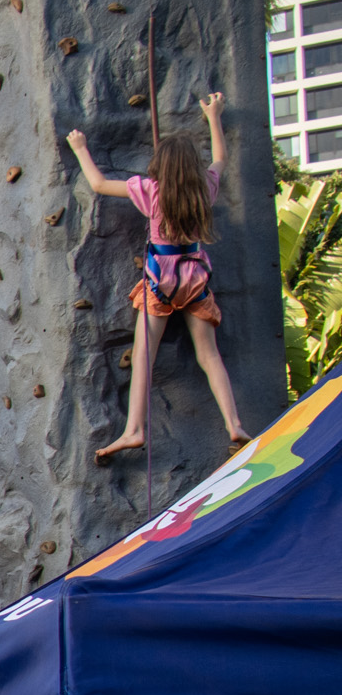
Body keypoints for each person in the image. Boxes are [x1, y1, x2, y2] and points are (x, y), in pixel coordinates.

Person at [68, 94, 250, 459]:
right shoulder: (205, 188)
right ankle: (234, 425)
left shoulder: (151, 191)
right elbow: (220, 159)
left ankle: (134, 429)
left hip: (160, 281)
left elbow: (99, 184)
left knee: (143, 355)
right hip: (194, 278)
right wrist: (213, 117)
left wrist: (80, 149)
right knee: (209, 355)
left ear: (161, 167)